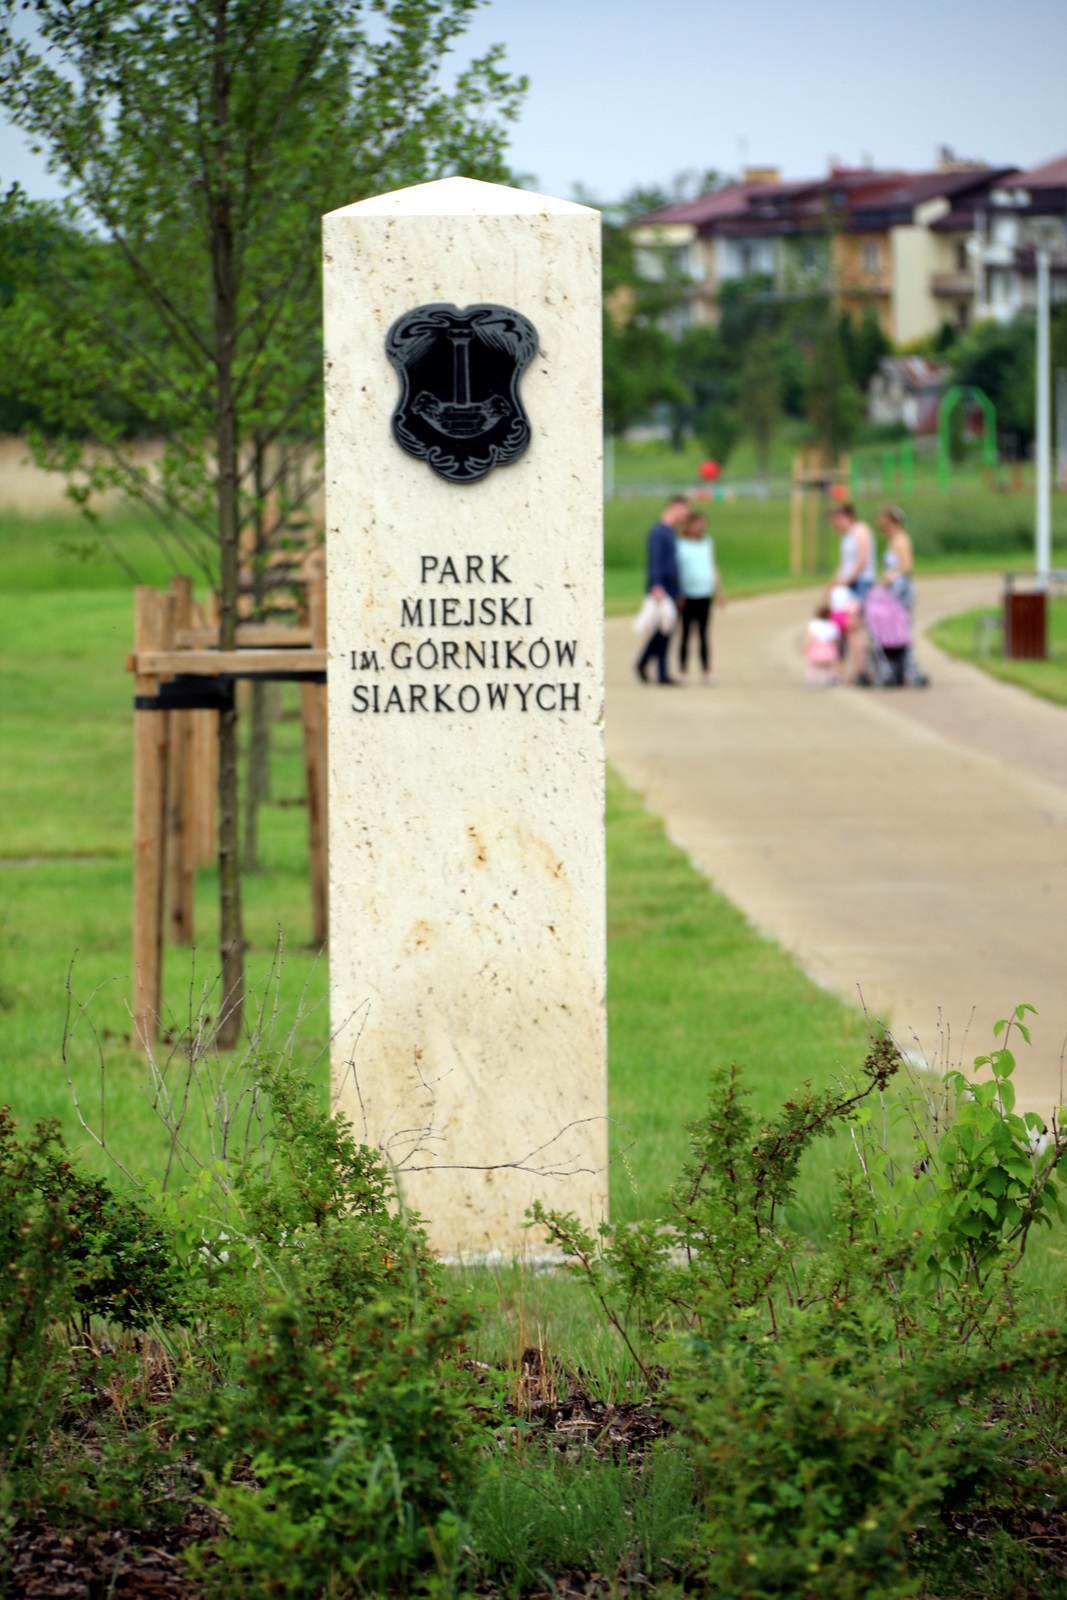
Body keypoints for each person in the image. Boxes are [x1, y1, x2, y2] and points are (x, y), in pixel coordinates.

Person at [635, 495, 688, 684]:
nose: (686, 514)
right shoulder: (658, 532)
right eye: (684, 510)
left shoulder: (671, 532)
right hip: (662, 588)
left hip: (673, 587)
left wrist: (679, 590)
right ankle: (656, 669)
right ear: (674, 507)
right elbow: (655, 561)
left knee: (666, 630)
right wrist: (656, 585)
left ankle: (650, 666)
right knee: (662, 629)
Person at [826, 501, 876, 682]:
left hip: (861, 583)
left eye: (837, 521)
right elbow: (844, 564)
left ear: (846, 516)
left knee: (853, 626)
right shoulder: (846, 537)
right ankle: (839, 671)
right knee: (840, 627)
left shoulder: (861, 531)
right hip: (847, 586)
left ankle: (860, 671)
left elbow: (862, 560)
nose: (836, 526)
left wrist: (846, 581)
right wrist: (832, 584)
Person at [675, 509, 722, 683]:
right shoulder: (680, 544)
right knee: (686, 634)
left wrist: (719, 591)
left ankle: (706, 670)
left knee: (703, 634)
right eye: (696, 524)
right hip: (687, 594)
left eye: (702, 524)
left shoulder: (706, 542)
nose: (699, 527)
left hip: (704, 593)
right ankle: (682, 670)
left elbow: (712, 566)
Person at [876, 503, 914, 613]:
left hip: (899, 590)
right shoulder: (892, 540)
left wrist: (891, 576)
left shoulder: (901, 539)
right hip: (891, 589)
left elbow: (907, 565)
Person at [804, 603, 842, 687]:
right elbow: (835, 640)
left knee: (812, 666)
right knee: (827, 667)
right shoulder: (832, 625)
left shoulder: (814, 624)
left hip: (817, 650)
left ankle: (810, 680)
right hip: (828, 650)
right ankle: (826, 680)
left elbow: (810, 638)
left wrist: (806, 648)